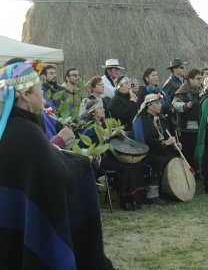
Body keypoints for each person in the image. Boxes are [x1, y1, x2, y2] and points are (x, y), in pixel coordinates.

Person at [0, 60, 114, 268]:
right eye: (37, 90)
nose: (43, 95)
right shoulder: (26, 132)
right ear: (25, 95)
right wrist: (81, 164)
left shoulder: (11, 127)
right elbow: (51, 176)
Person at [81, 100, 146, 211]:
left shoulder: (104, 123)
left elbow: (111, 139)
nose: (104, 110)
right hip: (98, 158)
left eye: (103, 108)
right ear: (93, 113)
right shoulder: (90, 126)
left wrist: (118, 134)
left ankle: (135, 198)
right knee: (125, 167)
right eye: (100, 108)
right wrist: (104, 137)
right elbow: (88, 144)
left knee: (133, 163)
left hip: (110, 155)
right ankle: (125, 200)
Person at [133, 93, 182, 205]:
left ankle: (167, 189)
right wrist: (164, 142)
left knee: (174, 158)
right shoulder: (141, 120)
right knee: (159, 162)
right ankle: (152, 195)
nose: (160, 105)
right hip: (148, 152)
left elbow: (167, 135)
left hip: (161, 150)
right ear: (149, 106)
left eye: (160, 102)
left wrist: (174, 145)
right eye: (157, 103)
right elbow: (143, 140)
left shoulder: (161, 118)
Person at [172, 68, 202, 178]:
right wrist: (185, 106)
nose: (200, 80)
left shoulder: (201, 91)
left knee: (197, 151)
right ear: (189, 79)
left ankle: (197, 172)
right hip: (186, 129)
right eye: (197, 78)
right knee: (188, 152)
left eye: (201, 78)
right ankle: (187, 174)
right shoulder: (182, 91)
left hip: (199, 127)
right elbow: (175, 104)